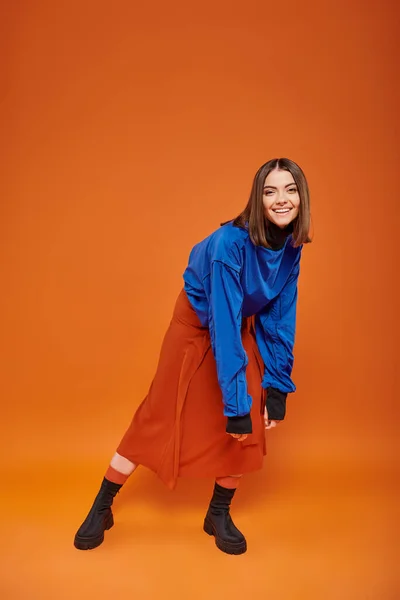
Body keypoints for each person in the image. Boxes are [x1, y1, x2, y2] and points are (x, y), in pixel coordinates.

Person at [74, 157, 311, 556]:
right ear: (258, 199)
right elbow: (222, 323)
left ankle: (218, 513)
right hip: (197, 324)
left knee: (248, 422)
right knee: (159, 414)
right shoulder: (227, 246)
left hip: (236, 323)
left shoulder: (291, 247)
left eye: (290, 189)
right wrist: (234, 404)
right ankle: (102, 505)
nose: (281, 199)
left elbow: (279, 318)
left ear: (302, 198)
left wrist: (276, 387)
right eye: (270, 191)